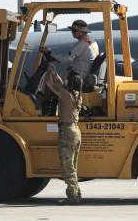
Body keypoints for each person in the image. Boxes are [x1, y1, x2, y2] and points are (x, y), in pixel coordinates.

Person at [42, 68, 83, 205]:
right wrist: (55, 73)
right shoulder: (76, 95)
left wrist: (47, 73)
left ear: (70, 83)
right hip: (75, 131)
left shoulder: (66, 95)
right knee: (73, 165)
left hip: (67, 131)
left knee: (67, 166)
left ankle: (72, 196)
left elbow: (50, 84)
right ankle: (76, 194)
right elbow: (60, 85)